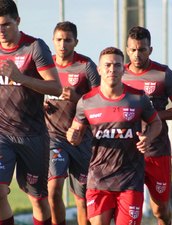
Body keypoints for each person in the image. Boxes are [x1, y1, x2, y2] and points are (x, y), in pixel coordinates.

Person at [66, 47, 162, 225]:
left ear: (123, 69)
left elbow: (156, 123)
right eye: (108, 65)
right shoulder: (86, 101)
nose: (112, 69)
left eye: (117, 65)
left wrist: (148, 137)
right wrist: (72, 136)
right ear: (99, 69)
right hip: (98, 180)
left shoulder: (138, 98)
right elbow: (75, 134)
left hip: (130, 180)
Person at [0, 0, 62, 225]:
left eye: (6, 24)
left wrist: (20, 78)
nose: (2, 31)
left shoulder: (35, 47)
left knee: (37, 199)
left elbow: (56, 88)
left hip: (32, 135)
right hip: (2, 134)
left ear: (17, 21)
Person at [122, 26, 172, 225]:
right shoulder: (118, 75)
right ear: (127, 49)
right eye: (132, 50)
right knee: (131, 208)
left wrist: (154, 117)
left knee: (161, 210)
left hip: (158, 151)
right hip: (127, 153)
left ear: (150, 49)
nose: (137, 54)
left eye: (142, 49)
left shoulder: (163, 74)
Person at [45, 21, 100, 225]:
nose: (62, 44)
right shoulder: (45, 66)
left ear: (76, 42)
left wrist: (77, 98)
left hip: (81, 140)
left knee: (82, 199)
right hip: (53, 138)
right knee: (53, 189)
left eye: (68, 40)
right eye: (59, 40)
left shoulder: (86, 66)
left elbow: (100, 102)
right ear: (53, 41)